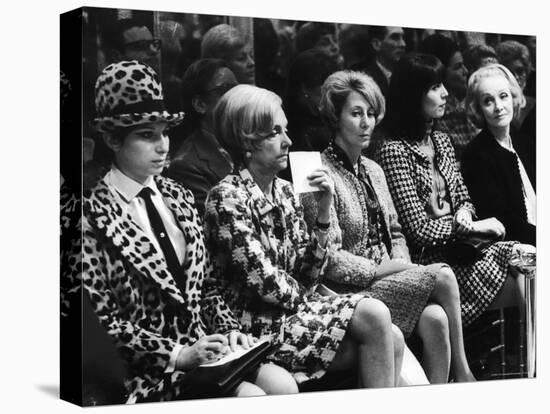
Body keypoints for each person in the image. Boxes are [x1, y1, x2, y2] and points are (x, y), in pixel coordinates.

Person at [81, 60, 297, 403]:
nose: (163, 145)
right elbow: (101, 323)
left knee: (284, 386)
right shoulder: (91, 216)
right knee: (253, 396)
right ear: (111, 139)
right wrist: (177, 354)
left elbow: (208, 284)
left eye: (165, 132)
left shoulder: (178, 196)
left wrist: (228, 329)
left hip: (207, 346)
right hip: (148, 371)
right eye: (146, 135)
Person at [204, 84, 405, 388]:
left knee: (394, 336)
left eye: (284, 130)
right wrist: (312, 301)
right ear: (247, 140)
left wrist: (324, 212)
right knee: (376, 313)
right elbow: (265, 283)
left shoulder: (284, 191)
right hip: (257, 325)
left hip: (294, 314)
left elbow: (308, 273)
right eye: (275, 133)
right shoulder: (226, 197)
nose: (288, 141)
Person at [300, 70, 473, 383]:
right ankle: (463, 372)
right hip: (348, 289)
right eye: (355, 113)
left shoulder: (374, 169)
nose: (366, 122)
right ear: (334, 117)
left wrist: (400, 261)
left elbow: (396, 232)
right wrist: (384, 269)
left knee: (436, 318)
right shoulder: (317, 170)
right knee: (444, 275)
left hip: (389, 278)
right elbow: (329, 258)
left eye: (370, 113)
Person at [376, 53, 531, 329]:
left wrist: (464, 214)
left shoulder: (442, 140)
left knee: (530, 256)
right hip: (432, 259)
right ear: (414, 95)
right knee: (531, 276)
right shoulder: (394, 151)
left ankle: (534, 359)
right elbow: (418, 230)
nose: (446, 93)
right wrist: (467, 227)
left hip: (465, 247)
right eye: (435, 87)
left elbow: (464, 198)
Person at [462, 64, 535, 245]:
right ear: (477, 108)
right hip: (516, 248)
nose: (498, 107)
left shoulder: (525, 142)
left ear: (513, 97)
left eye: (503, 96)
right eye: (488, 101)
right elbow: (502, 220)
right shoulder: (475, 155)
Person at [167, 59, 238, 216]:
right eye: (226, 89)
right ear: (200, 104)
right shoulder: (187, 165)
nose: (237, 97)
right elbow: (219, 222)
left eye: (237, 89)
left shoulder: (246, 142)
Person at [419, 34, 479, 162]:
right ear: (439, 71)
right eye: (457, 67)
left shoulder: (468, 105)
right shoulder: (434, 117)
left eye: (464, 65)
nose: (466, 71)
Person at [350, 26, 406, 98]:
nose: (403, 44)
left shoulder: (411, 74)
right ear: (376, 44)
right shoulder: (364, 82)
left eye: (403, 38)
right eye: (395, 38)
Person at [495, 40, 535, 130]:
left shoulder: (536, 105)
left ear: (527, 71)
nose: (516, 77)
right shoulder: (496, 109)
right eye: (510, 72)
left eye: (520, 71)